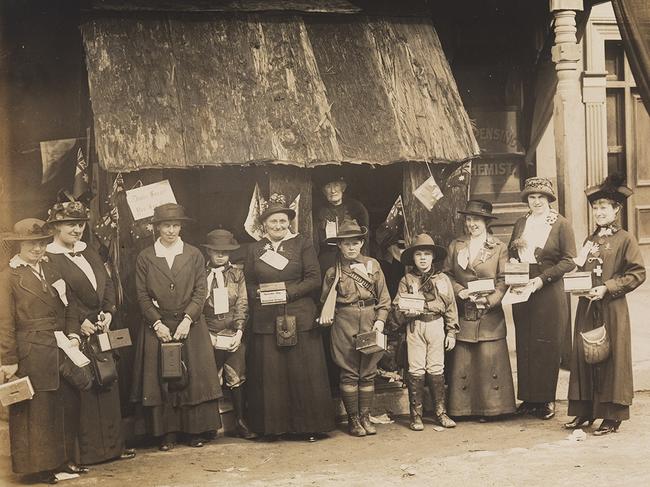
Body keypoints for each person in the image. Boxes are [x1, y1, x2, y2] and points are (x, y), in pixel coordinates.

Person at [45, 200, 135, 464]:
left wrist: (109, 312)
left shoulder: (90, 250)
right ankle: (88, 453)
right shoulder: (50, 258)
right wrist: (79, 323)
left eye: (81, 224)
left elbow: (107, 283)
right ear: (56, 227)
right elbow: (56, 298)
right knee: (84, 388)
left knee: (108, 383)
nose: (77, 229)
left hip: (102, 327)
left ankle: (112, 448)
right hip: (76, 332)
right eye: (70, 224)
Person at [0, 219, 87, 484]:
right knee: (35, 411)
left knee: (61, 405)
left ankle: (62, 460)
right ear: (19, 246)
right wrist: (9, 360)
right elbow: (4, 322)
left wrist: (73, 333)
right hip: (30, 351)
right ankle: (38, 467)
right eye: (31, 244)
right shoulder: (8, 277)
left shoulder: (52, 270)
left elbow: (70, 306)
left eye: (41, 243)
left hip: (58, 345)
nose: (37, 249)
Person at [130, 203, 222, 450]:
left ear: (181, 227)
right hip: (158, 326)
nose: (171, 230)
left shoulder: (193, 254)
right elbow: (141, 295)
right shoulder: (145, 257)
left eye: (175, 225)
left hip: (189, 325)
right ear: (156, 227)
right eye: (165, 225)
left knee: (194, 379)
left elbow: (201, 291)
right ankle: (165, 433)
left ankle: (195, 431)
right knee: (162, 378)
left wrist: (188, 319)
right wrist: (157, 323)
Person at [244, 194, 334, 441]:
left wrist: (287, 293)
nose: (278, 226)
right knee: (271, 374)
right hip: (266, 317)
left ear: (289, 222)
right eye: (273, 222)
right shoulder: (254, 249)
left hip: (299, 314)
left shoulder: (302, 244)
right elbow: (249, 284)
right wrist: (260, 294)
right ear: (264, 224)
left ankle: (309, 427)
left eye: (283, 221)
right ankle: (272, 428)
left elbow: (314, 279)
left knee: (301, 372)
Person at [565, 175, 645, 435]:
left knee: (611, 358)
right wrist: (576, 282)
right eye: (595, 208)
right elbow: (580, 266)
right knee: (583, 355)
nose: (599, 212)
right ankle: (583, 411)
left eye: (604, 207)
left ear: (616, 210)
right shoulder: (590, 240)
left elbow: (637, 273)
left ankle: (612, 416)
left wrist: (607, 288)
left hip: (611, 308)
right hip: (587, 307)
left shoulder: (626, 240)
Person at [508, 177, 576, 420]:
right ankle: (528, 398)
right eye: (531, 197)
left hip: (548, 288)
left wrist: (542, 279)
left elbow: (569, 260)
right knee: (525, 342)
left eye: (540, 197)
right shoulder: (520, 223)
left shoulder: (560, 224)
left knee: (546, 344)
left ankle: (546, 399)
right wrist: (513, 266)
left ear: (548, 199)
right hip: (522, 287)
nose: (536, 201)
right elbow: (511, 251)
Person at [444, 200, 516, 421]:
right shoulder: (457, 245)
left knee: (488, 360)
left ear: (486, 221)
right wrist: (459, 291)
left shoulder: (498, 247)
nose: (472, 224)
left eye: (476, 219)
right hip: (465, 311)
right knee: (464, 361)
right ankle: (463, 409)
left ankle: (493, 409)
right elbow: (447, 274)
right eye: (468, 219)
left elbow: (504, 279)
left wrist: (491, 300)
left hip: (488, 315)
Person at [320, 219, 391, 437]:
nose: (351, 247)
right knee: (349, 372)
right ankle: (353, 420)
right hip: (344, 321)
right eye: (346, 243)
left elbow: (385, 298)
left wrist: (380, 320)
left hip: (370, 319)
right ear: (339, 246)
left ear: (361, 243)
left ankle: (365, 416)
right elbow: (325, 302)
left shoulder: (373, 265)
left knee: (368, 372)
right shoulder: (334, 272)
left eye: (355, 242)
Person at [393, 233, 458, 431]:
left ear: (433, 257)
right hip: (416, 326)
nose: (422, 258)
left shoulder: (442, 279)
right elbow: (397, 306)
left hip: (436, 325)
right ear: (413, 258)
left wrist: (452, 331)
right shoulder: (407, 279)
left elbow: (450, 306)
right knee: (416, 369)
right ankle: (416, 415)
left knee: (437, 368)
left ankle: (440, 412)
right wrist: (405, 311)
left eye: (427, 254)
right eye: (418, 254)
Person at [200, 229, 256, 439]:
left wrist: (239, 331)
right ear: (209, 252)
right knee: (208, 376)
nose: (221, 255)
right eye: (216, 251)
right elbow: (196, 305)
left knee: (236, 374)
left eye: (225, 251)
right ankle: (209, 425)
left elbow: (242, 303)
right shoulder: (200, 274)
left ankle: (240, 421)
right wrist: (207, 335)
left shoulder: (237, 274)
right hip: (208, 331)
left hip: (232, 330)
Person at [314, 177, 370, 275]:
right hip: (327, 256)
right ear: (323, 191)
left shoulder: (356, 208)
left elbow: (364, 236)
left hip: (351, 253)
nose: (333, 190)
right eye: (328, 186)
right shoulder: (318, 210)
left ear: (343, 188)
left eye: (336, 185)